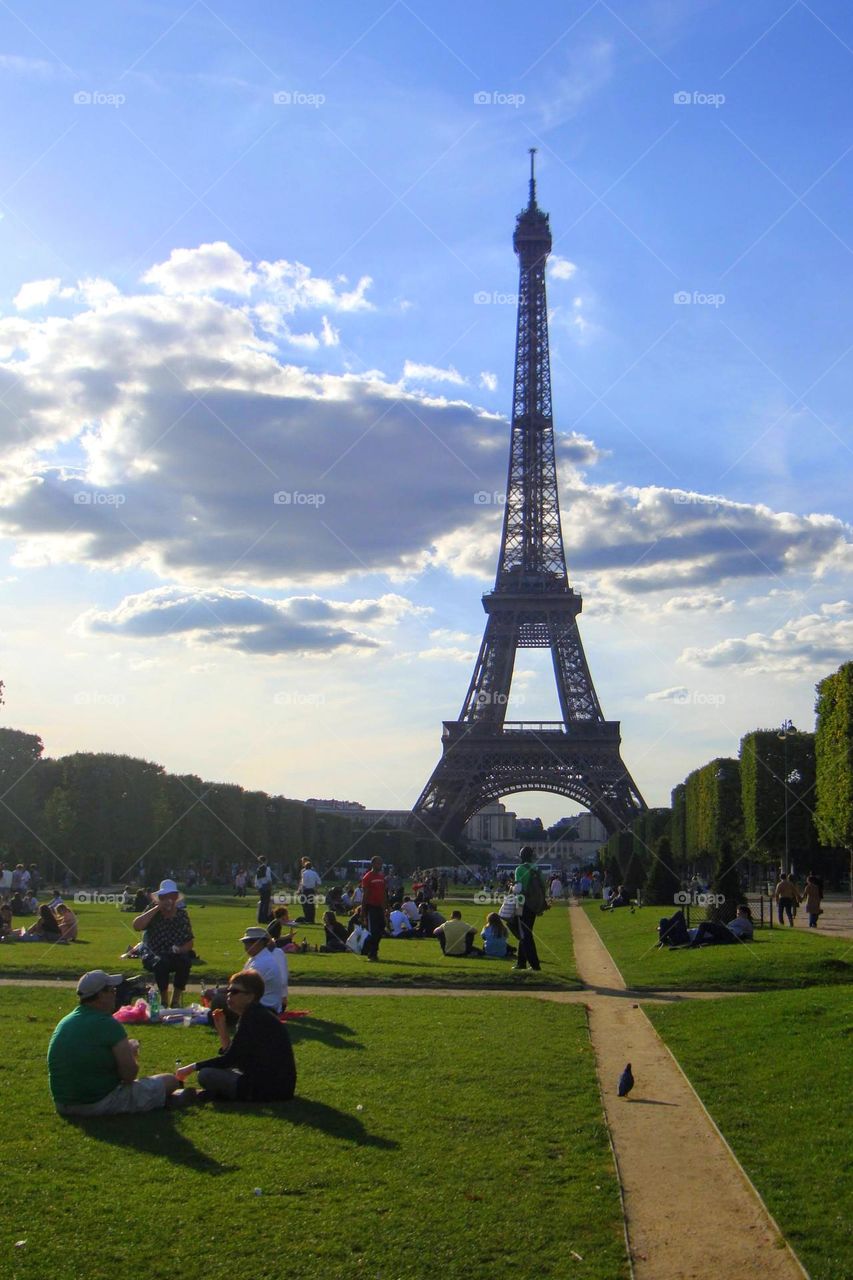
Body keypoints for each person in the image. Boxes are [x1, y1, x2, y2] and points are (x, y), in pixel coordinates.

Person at [48, 970, 187, 1115]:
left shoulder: (66, 1021)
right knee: (170, 1081)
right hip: (97, 1102)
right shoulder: (108, 1024)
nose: (115, 994)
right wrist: (132, 1051)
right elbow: (129, 1075)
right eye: (112, 990)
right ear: (101, 995)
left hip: (63, 1103)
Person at [177, 970, 296, 1103]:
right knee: (214, 1071)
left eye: (235, 992)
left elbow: (230, 1060)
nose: (229, 996)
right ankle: (218, 1093)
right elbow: (236, 1056)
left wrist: (191, 1068)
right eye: (228, 991)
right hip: (276, 1085)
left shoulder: (253, 1017)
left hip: (270, 1088)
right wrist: (222, 1029)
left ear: (250, 996)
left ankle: (221, 1094)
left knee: (205, 1074)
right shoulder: (256, 1014)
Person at [132, 879, 195, 1009]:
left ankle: (175, 1000)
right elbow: (137, 925)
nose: (168, 900)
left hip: (174, 953)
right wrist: (156, 908)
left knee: (185, 962)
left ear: (176, 898)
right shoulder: (153, 913)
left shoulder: (181, 915)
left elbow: (189, 942)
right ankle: (164, 999)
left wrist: (181, 949)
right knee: (161, 962)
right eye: (164, 897)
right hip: (154, 953)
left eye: (171, 897)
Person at [240, 926, 288, 1014]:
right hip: (264, 1004)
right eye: (245, 943)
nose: (246, 947)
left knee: (221, 1000)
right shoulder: (256, 958)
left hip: (264, 1007)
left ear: (261, 943)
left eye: (250, 943)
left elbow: (243, 986)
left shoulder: (262, 962)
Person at [512, 847, 544, 971]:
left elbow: (518, 889)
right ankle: (521, 962)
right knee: (524, 932)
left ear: (521, 856)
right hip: (534, 904)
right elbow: (543, 886)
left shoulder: (519, 869)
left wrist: (511, 887)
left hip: (522, 904)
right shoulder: (537, 869)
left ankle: (535, 964)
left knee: (525, 934)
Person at [360, 856, 387, 962]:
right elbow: (365, 896)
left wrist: (386, 908)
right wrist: (363, 912)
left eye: (381, 863)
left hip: (380, 907)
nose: (380, 866)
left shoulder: (381, 877)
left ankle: (370, 949)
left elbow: (383, 894)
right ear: (373, 864)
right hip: (371, 907)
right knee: (374, 932)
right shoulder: (367, 877)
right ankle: (372, 954)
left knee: (381, 930)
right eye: (378, 863)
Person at [689, 905, 754, 947]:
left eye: (739, 913)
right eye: (737, 914)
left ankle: (695, 943)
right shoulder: (743, 922)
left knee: (703, 925)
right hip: (727, 933)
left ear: (746, 914)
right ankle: (695, 943)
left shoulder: (746, 922)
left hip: (729, 933)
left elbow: (749, 935)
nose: (738, 915)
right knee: (706, 939)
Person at [297, 859, 322, 924]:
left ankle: (307, 918)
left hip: (305, 890)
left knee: (305, 905)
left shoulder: (304, 873)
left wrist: (299, 891)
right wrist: (316, 888)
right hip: (312, 890)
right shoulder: (314, 873)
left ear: (305, 867)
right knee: (311, 905)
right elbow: (319, 882)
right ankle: (312, 919)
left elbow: (303, 883)